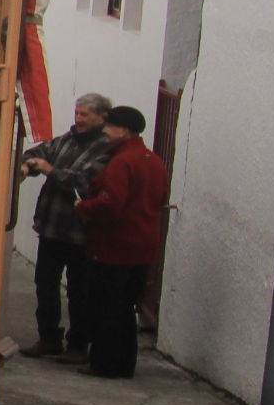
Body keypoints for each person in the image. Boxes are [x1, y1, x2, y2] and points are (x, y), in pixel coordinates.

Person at [74, 105, 172, 379]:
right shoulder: (152, 160)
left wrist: (84, 207)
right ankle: (124, 363)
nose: (104, 131)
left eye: (110, 126)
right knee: (126, 307)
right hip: (143, 246)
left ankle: (104, 363)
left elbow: (110, 204)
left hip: (114, 246)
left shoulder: (122, 161)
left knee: (105, 307)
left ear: (124, 130)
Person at [20, 93, 118, 360]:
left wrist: (50, 170)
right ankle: (48, 338)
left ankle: (78, 344)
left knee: (79, 290)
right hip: (52, 228)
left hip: (80, 232)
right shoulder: (68, 139)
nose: (79, 119)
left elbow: (84, 180)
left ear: (102, 117)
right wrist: (30, 164)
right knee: (45, 283)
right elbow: (39, 151)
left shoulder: (105, 148)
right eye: (77, 113)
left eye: (85, 114)